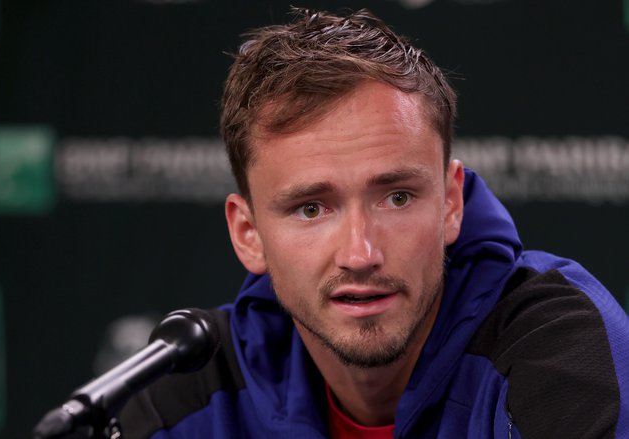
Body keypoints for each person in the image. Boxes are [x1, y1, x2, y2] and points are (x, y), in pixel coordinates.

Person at [119, 8, 629, 438]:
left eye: (398, 197)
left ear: (452, 204)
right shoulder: (191, 391)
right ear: (247, 234)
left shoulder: (560, 350)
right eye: (312, 208)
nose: (361, 254)